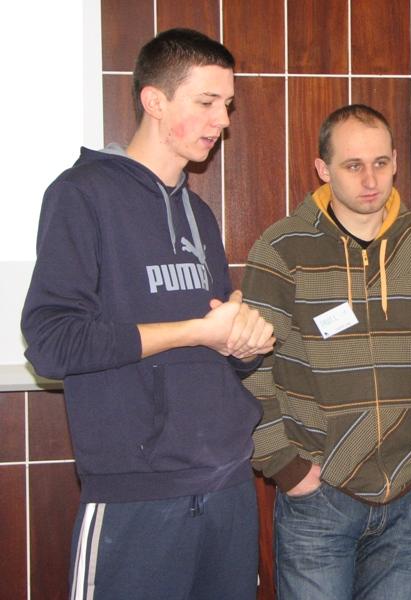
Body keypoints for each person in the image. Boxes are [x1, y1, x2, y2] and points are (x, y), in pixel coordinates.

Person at [21, 28, 275, 600]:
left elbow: (214, 349)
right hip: (136, 495)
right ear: (154, 100)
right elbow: (51, 343)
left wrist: (242, 343)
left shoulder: (199, 214)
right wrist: (195, 331)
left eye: (227, 104)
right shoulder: (81, 194)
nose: (222, 120)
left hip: (228, 484)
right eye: (206, 102)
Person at [242, 103, 411, 599]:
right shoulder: (282, 250)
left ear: (395, 162)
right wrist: (285, 466)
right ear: (323, 169)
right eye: (353, 165)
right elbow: (253, 369)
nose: (370, 180)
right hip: (318, 496)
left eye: (381, 163)